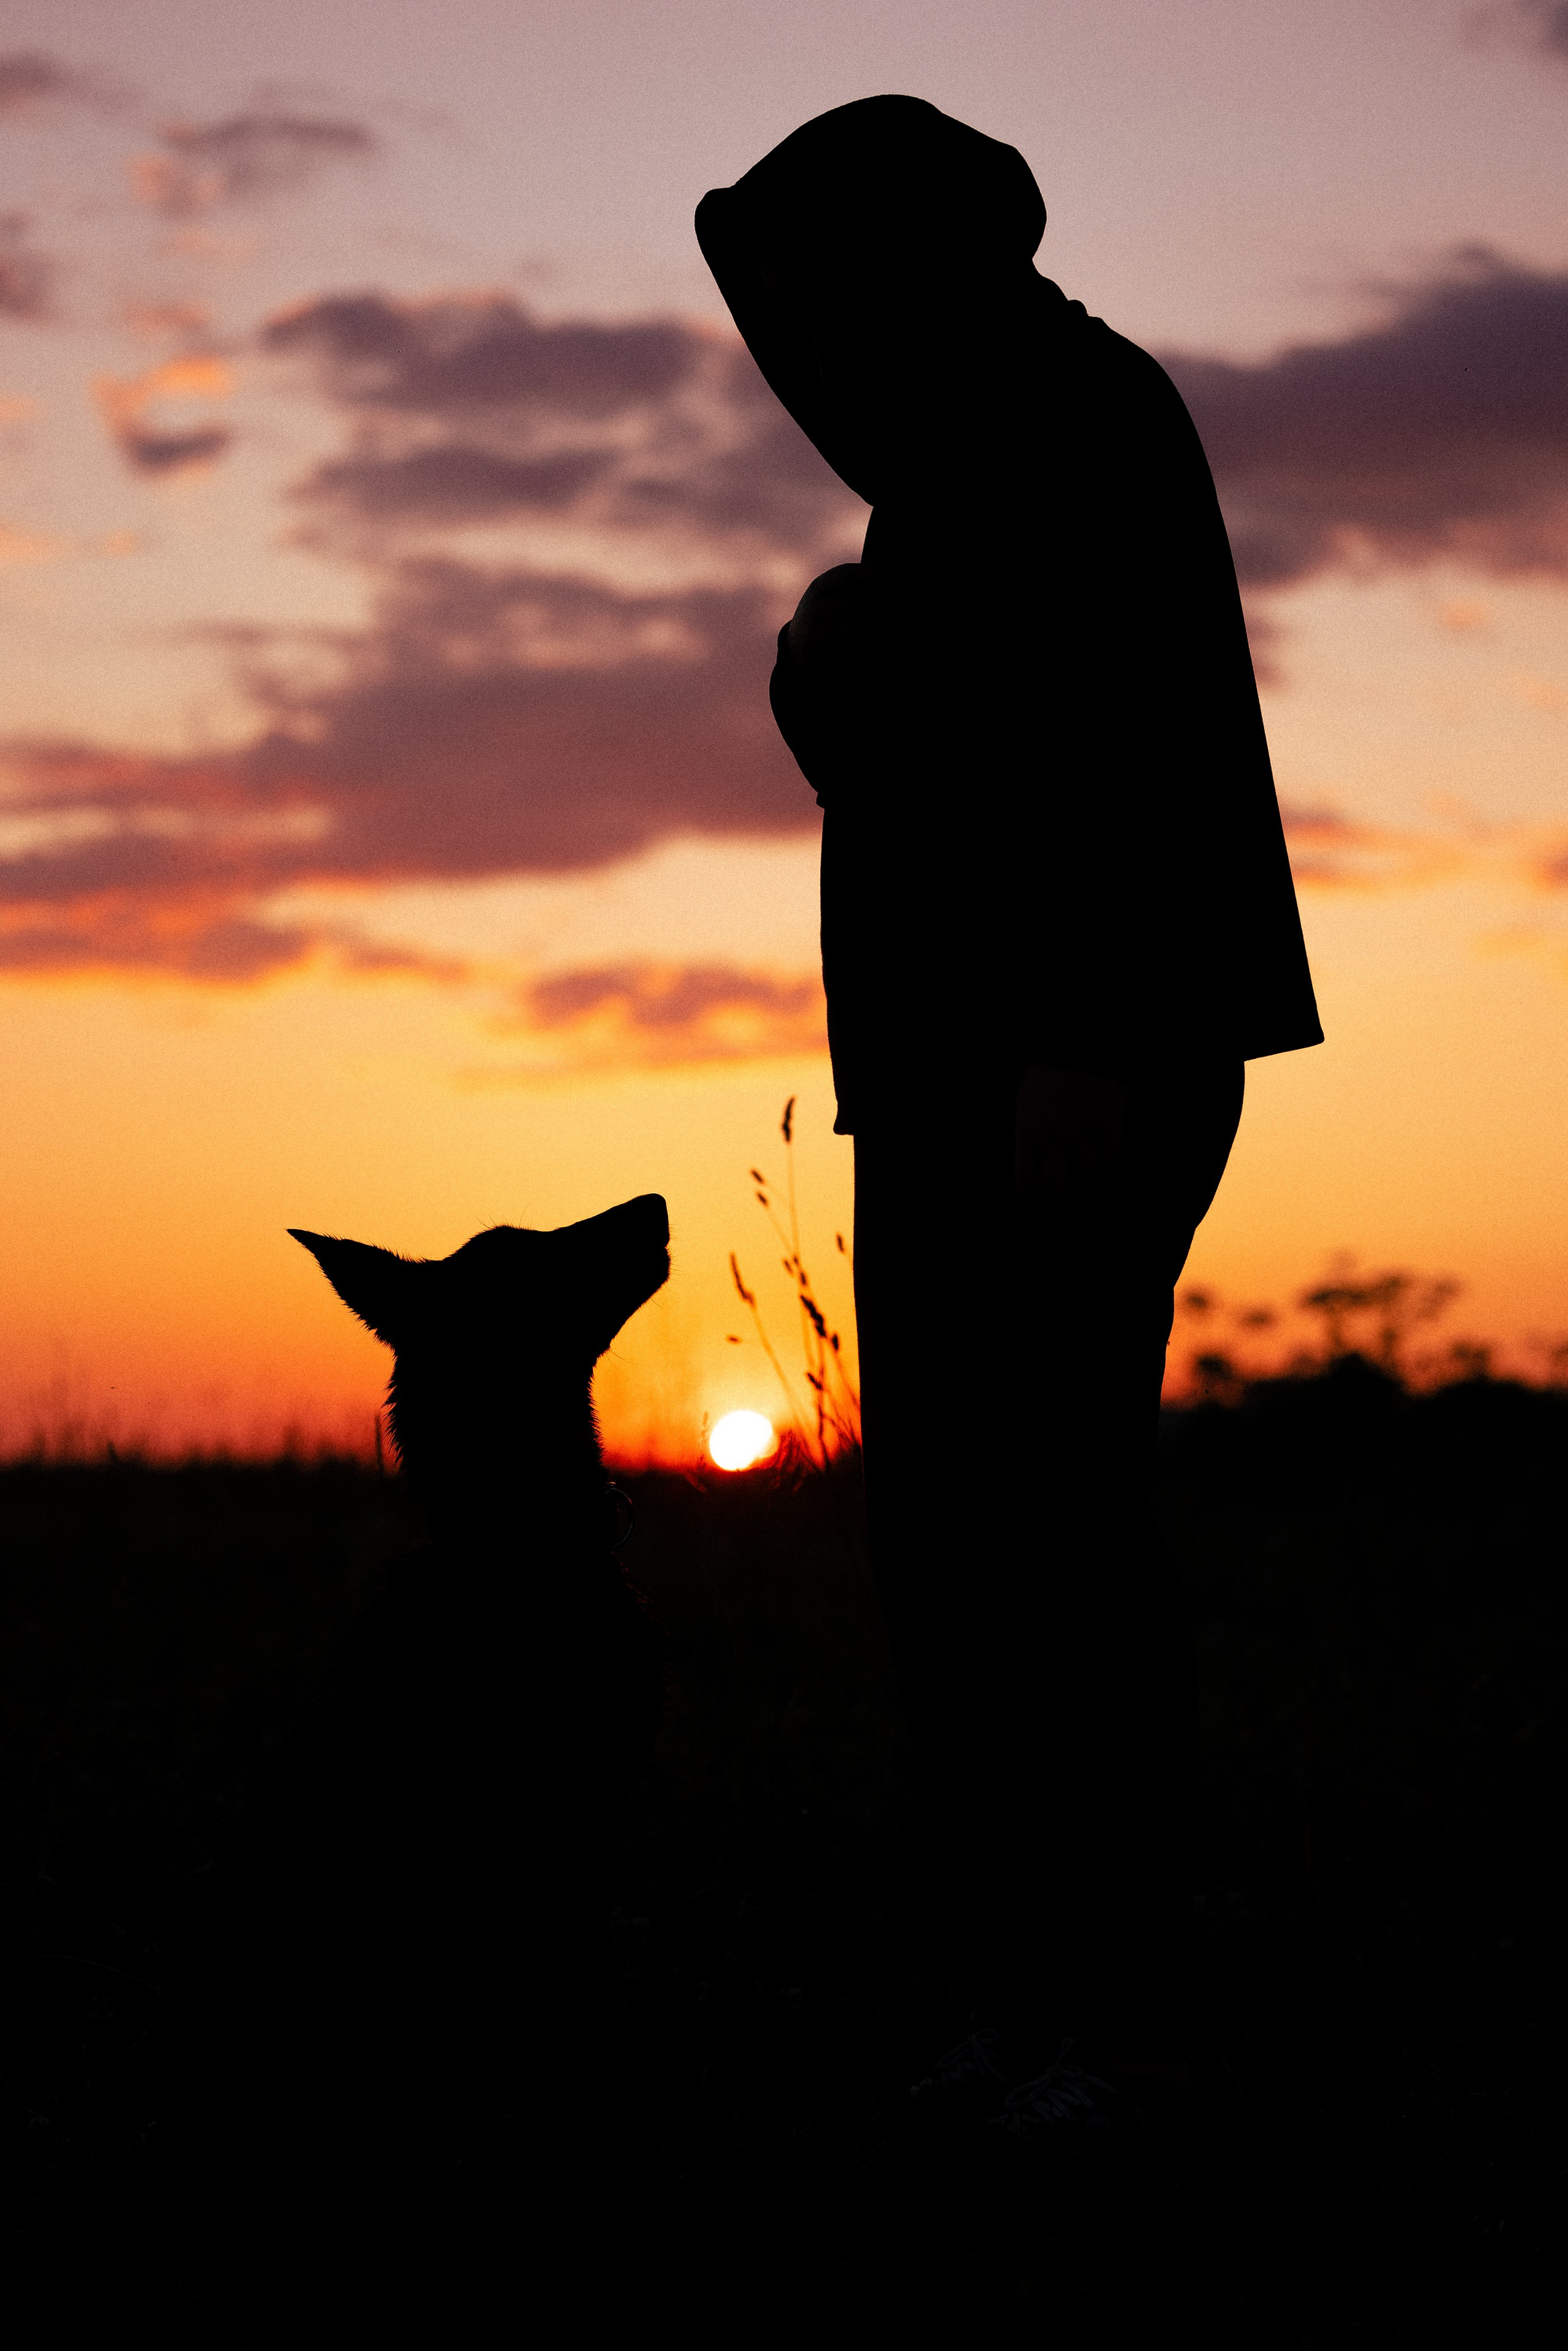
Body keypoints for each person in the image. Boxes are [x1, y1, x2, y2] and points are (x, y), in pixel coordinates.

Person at [696, 97, 1321, 2142]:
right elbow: (930, 775)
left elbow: (1126, 757)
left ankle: (1123, 2032)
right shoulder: (958, 458)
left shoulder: (1072, 414)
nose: (799, 343)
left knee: (1046, 1544)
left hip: (1068, 1065)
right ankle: (1031, 2005)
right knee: (959, 1549)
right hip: (970, 1067)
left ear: (901, 267)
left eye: (816, 288)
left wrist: (1085, 1047)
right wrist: (823, 662)